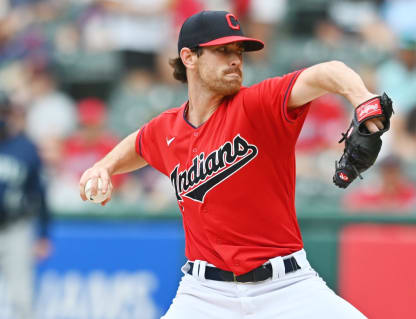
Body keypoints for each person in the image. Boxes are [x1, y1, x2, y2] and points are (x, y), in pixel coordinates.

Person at [79, 10, 387, 318]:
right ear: (189, 56)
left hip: (286, 288)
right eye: (222, 50)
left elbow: (326, 72)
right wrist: (104, 167)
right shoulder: (167, 128)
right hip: (203, 295)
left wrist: (362, 98)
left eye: (238, 51)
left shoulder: (258, 104)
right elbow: (139, 144)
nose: (236, 59)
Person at [0, 91, 51, 319]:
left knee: (22, 299)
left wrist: (44, 233)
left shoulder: (25, 147)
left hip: (15, 228)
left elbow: (40, 193)